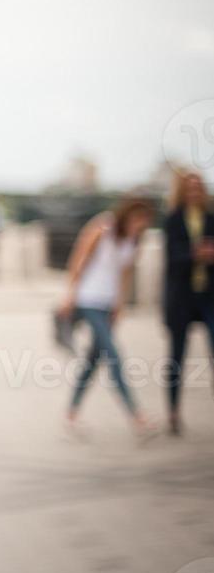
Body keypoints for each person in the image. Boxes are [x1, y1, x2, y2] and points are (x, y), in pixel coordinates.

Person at [59, 195, 158, 441]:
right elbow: (79, 259)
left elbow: (124, 274)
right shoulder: (103, 227)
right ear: (128, 215)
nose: (140, 225)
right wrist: (70, 294)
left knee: (92, 361)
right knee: (114, 356)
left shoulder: (135, 240)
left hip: (107, 304)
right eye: (137, 219)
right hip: (88, 299)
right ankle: (137, 417)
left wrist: (120, 304)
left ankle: (70, 413)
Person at [162, 170, 214, 437]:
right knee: (177, 357)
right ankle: (172, 412)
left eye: (198, 188)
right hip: (181, 297)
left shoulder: (210, 218)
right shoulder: (173, 219)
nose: (195, 192)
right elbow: (171, 260)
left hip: (207, 295)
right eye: (190, 188)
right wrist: (195, 253)